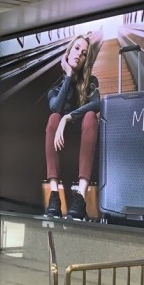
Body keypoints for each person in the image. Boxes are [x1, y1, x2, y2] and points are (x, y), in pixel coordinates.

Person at [44, 31, 103, 220]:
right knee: (54, 117)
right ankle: (54, 195)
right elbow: (55, 107)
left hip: (83, 139)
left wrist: (67, 118)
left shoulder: (91, 82)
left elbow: (97, 104)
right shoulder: (55, 89)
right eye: (76, 49)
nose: (79, 54)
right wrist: (68, 76)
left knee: (90, 117)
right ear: (67, 53)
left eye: (84, 53)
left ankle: (80, 197)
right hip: (62, 143)